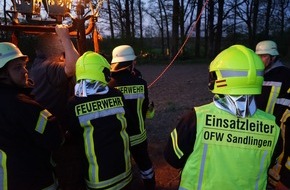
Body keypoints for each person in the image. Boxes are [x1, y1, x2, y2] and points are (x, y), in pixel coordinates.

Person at [164, 45, 282, 190]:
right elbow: (269, 163)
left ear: (219, 77)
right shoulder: (273, 126)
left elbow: (173, 159)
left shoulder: (196, 119)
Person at [0, 42, 64, 189]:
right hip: (35, 180)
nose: (25, 71)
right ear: (2, 73)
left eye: (23, 66)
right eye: (17, 68)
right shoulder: (24, 106)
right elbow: (56, 139)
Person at [65, 51, 132, 189]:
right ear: (103, 72)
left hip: (98, 180)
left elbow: (74, 135)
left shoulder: (73, 103)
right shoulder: (117, 95)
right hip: (124, 171)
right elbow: (128, 121)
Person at [108, 45, 156, 189]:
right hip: (139, 136)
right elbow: (146, 110)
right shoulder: (141, 84)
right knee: (144, 163)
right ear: (131, 63)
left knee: (121, 165)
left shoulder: (109, 86)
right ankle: (150, 185)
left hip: (119, 137)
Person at [255, 40, 290, 189]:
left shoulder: (286, 76)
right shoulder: (257, 74)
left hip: (276, 131)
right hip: (258, 131)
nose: (260, 60)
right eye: (258, 56)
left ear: (273, 57)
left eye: (264, 56)